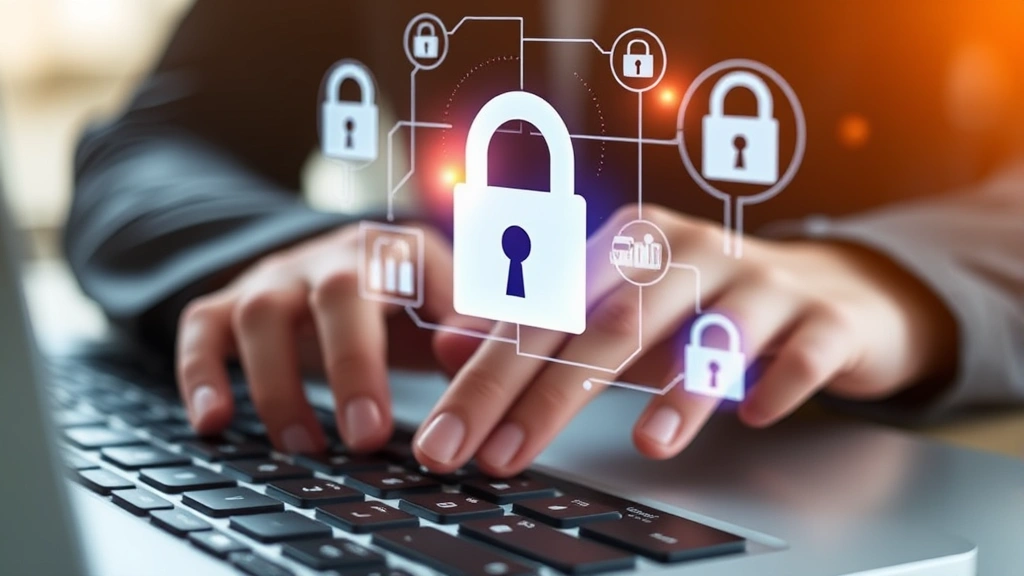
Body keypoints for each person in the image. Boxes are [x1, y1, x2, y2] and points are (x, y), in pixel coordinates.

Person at [67, 1, 1024, 477]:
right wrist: (290, 253)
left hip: (828, 454)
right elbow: (157, 142)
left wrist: (894, 282)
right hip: (444, 415)